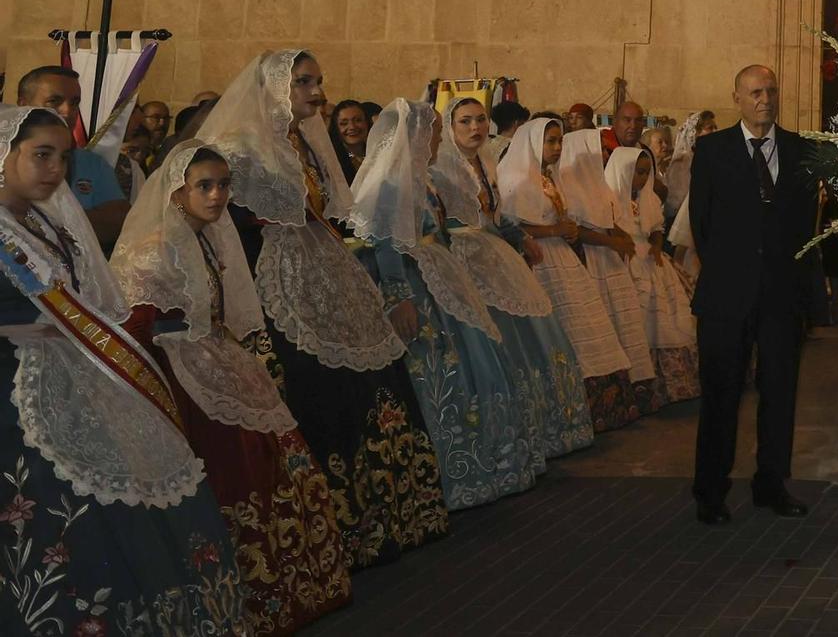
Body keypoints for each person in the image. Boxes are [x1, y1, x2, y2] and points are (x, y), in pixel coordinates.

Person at [0, 106, 247, 633]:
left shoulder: (46, 222)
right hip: (17, 399)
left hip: (76, 381)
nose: (55, 170)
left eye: (63, 158)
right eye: (41, 155)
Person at [199, 51, 448, 568]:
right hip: (276, 275)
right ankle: (327, 532)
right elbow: (224, 224)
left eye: (318, 81)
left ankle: (388, 518)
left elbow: (329, 212)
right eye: (302, 82)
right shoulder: (237, 148)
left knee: (370, 378)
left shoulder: (308, 142)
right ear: (271, 87)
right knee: (311, 387)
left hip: (324, 267)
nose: (315, 91)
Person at [113, 141, 352, 634]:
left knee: (266, 463)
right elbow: (137, 326)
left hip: (214, 360)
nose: (218, 195)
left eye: (224, 185)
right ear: (177, 192)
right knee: (229, 472)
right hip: (182, 376)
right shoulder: (156, 248)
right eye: (205, 185)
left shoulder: (206, 238)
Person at [350, 101, 539, 510]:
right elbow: (385, 241)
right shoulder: (393, 184)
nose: (439, 138)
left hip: (439, 276)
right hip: (418, 286)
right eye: (434, 131)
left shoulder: (422, 180)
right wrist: (399, 296)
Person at [688, 65, 818, 523]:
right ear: (737, 98)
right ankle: (710, 490)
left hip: (781, 295)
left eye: (771, 91)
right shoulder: (712, 151)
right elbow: (701, 226)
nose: (765, 99)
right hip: (727, 295)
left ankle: (771, 483)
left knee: (780, 391)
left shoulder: (802, 151)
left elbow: (807, 227)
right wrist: (732, 269)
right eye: (756, 92)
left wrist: (805, 293)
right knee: (721, 392)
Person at [435, 97, 594, 459]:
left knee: (534, 334)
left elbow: (496, 214)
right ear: (451, 128)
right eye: (465, 122)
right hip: (464, 259)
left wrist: (519, 236)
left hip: (494, 253)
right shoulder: (442, 170)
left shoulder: (486, 160)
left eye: (480, 120)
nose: (474, 128)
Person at [496, 116, 644, 432]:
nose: (556, 147)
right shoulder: (516, 176)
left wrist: (566, 229)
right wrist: (554, 230)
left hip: (561, 256)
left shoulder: (547, 177)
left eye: (559, 141)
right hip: (537, 259)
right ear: (533, 142)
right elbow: (511, 225)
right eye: (550, 141)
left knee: (585, 327)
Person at [555, 128, 662, 415]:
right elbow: (579, 230)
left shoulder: (600, 184)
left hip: (611, 261)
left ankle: (632, 391)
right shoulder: (567, 184)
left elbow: (607, 219)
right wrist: (612, 240)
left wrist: (620, 236)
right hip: (591, 260)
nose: (604, 153)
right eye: (599, 148)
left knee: (624, 324)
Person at [608, 144, 700, 402]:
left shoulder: (649, 198)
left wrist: (657, 246)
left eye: (646, 173)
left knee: (671, 316)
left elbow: (657, 227)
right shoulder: (610, 198)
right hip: (624, 261)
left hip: (650, 258)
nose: (642, 179)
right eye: (637, 172)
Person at [16, 64, 128, 250]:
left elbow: (117, 222)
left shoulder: (92, 163)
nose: (67, 111)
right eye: (54, 101)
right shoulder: (6, 157)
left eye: (75, 102)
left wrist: (41, 219)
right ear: (23, 104)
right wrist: (82, 219)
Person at [666, 109, 716, 275]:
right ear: (696, 132)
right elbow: (677, 201)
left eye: (715, 127)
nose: (715, 131)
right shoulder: (683, 160)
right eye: (710, 127)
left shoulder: (712, 160)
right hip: (687, 222)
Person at [328, 99, 371, 184]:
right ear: (336, 128)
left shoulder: (378, 154)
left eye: (358, 120)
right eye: (344, 123)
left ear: (367, 122)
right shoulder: (332, 161)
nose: (352, 127)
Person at [137, 98, 172, 167]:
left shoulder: (167, 151)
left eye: (166, 118)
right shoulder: (132, 151)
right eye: (156, 117)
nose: (162, 123)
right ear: (140, 118)